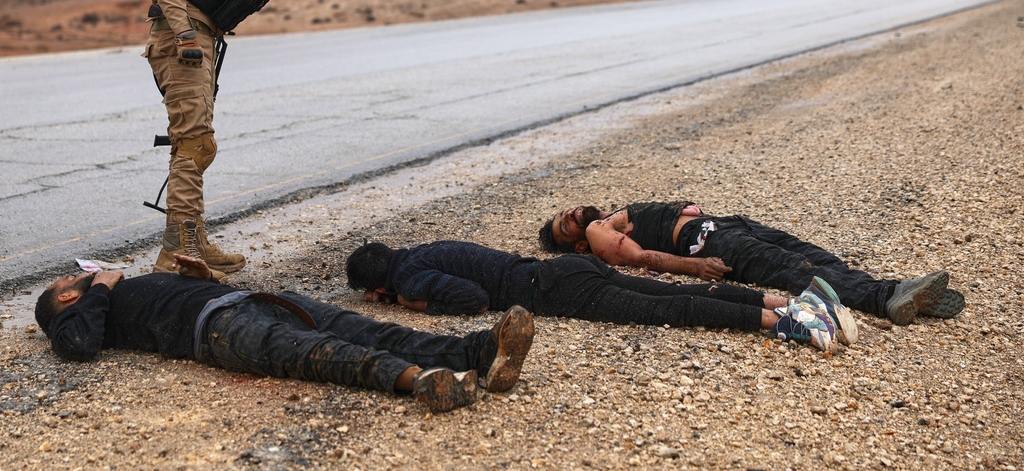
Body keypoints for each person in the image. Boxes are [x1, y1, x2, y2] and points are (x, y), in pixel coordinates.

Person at [34, 255, 535, 413]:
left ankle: (477, 350)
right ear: (69, 299)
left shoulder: (108, 298)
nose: (74, 276)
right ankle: (427, 380)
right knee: (325, 354)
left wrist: (203, 277)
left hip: (248, 303)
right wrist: (100, 286)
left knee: (366, 327)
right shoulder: (84, 315)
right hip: (220, 332)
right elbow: (76, 347)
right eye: (67, 282)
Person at [346, 240, 859, 353]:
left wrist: (415, 305)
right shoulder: (423, 249)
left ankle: (793, 324)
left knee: (670, 310)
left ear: (376, 287)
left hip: (554, 289)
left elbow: (473, 299)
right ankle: (789, 303)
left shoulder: (409, 278)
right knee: (668, 292)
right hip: (567, 268)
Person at [144, 0, 273, 276]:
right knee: (192, 143)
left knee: (200, 145)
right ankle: (178, 256)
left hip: (199, 38)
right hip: (183, 40)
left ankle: (192, 242)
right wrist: (184, 33)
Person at [538, 201, 965, 326]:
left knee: (811, 255)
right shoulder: (598, 232)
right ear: (575, 245)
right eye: (564, 225)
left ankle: (898, 292)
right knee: (792, 268)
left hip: (721, 224)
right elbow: (639, 257)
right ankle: (886, 297)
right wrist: (695, 268)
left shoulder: (610, 216)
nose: (572, 215)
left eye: (566, 212)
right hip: (702, 240)